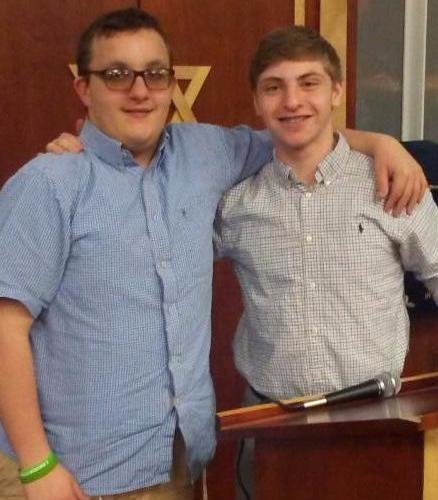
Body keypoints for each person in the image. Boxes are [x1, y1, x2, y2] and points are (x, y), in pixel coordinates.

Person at [0, 7, 427, 500]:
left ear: (171, 84)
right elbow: (6, 326)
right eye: (116, 75)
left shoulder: (205, 152)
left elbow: (298, 131)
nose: (139, 90)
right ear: (84, 88)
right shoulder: (49, 183)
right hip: (70, 473)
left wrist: (381, 142)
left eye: (154, 74)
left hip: (178, 462)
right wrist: (37, 466)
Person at [213, 25, 438, 498]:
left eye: (309, 82)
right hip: (271, 425)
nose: (292, 101)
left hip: (379, 421)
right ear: (257, 102)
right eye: (274, 87)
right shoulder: (234, 202)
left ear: (336, 91)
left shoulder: (392, 182)